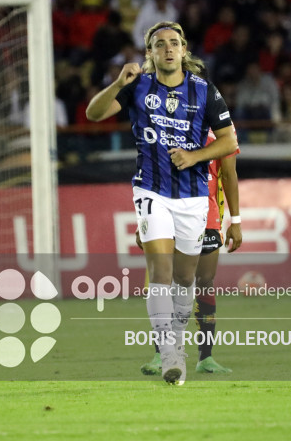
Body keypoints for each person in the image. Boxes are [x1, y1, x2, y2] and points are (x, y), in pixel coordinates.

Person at [86, 21, 237, 385]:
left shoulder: (204, 90)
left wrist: (195, 155)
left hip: (193, 196)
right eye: (159, 44)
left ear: (184, 50)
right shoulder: (137, 85)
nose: (167, 49)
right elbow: (94, 114)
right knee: (161, 275)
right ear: (150, 53)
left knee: (186, 280)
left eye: (174, 43)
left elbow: (229, 142)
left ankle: (177, 341)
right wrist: (118, 83)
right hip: (150, 191)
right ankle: (170, 353)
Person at [139, 127, 243, 375]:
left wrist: (235, 221)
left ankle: (205, 357)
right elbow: (152, 175)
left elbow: (228, 174)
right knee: (168, 280)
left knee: (205, 282)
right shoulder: (166, 125)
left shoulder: (222, 131)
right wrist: (143, 218)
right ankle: (162, 353)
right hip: (168, 212)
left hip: (207, 215)